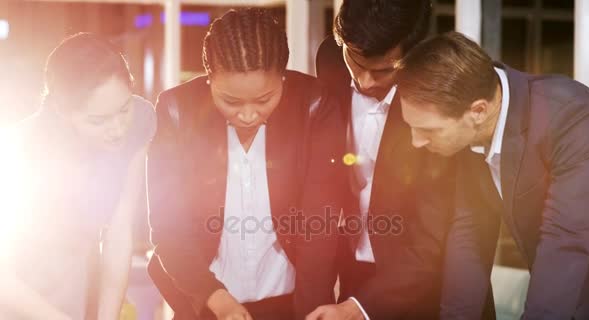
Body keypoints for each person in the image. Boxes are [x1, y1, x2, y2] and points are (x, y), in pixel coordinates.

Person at [146, 8, 347, 320]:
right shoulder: (176, 111)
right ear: (209, 77)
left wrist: (310, 310)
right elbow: (168, 228)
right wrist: (217, 301)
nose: (249, 115)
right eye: (231, 101)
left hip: (295, 304)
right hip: (206, 304)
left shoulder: (313, 105)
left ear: (283, 76)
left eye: (265, 99)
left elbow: (319, 223)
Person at [399, 31, 589, 319]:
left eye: (428, 130)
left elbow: (565, 240)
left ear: (478, 111)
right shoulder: (471, 125)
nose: (416, 142)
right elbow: (470, 231)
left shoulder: (572, 116)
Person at [311, 1, 458, 319]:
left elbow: (433, 239)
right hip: (353, 277)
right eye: (356, 62)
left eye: (383, 70)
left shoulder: (443, 91)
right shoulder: (332, 60)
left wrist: (359, 308)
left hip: (429, 290)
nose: (364, 81)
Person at [0, 32, 156, 319]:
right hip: (17, 299)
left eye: (123, 109)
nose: (118, 128)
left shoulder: (140, 121)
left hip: (81, 288)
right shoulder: (14, 151)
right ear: (61, 111)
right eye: (98, 121)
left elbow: (119, 231)